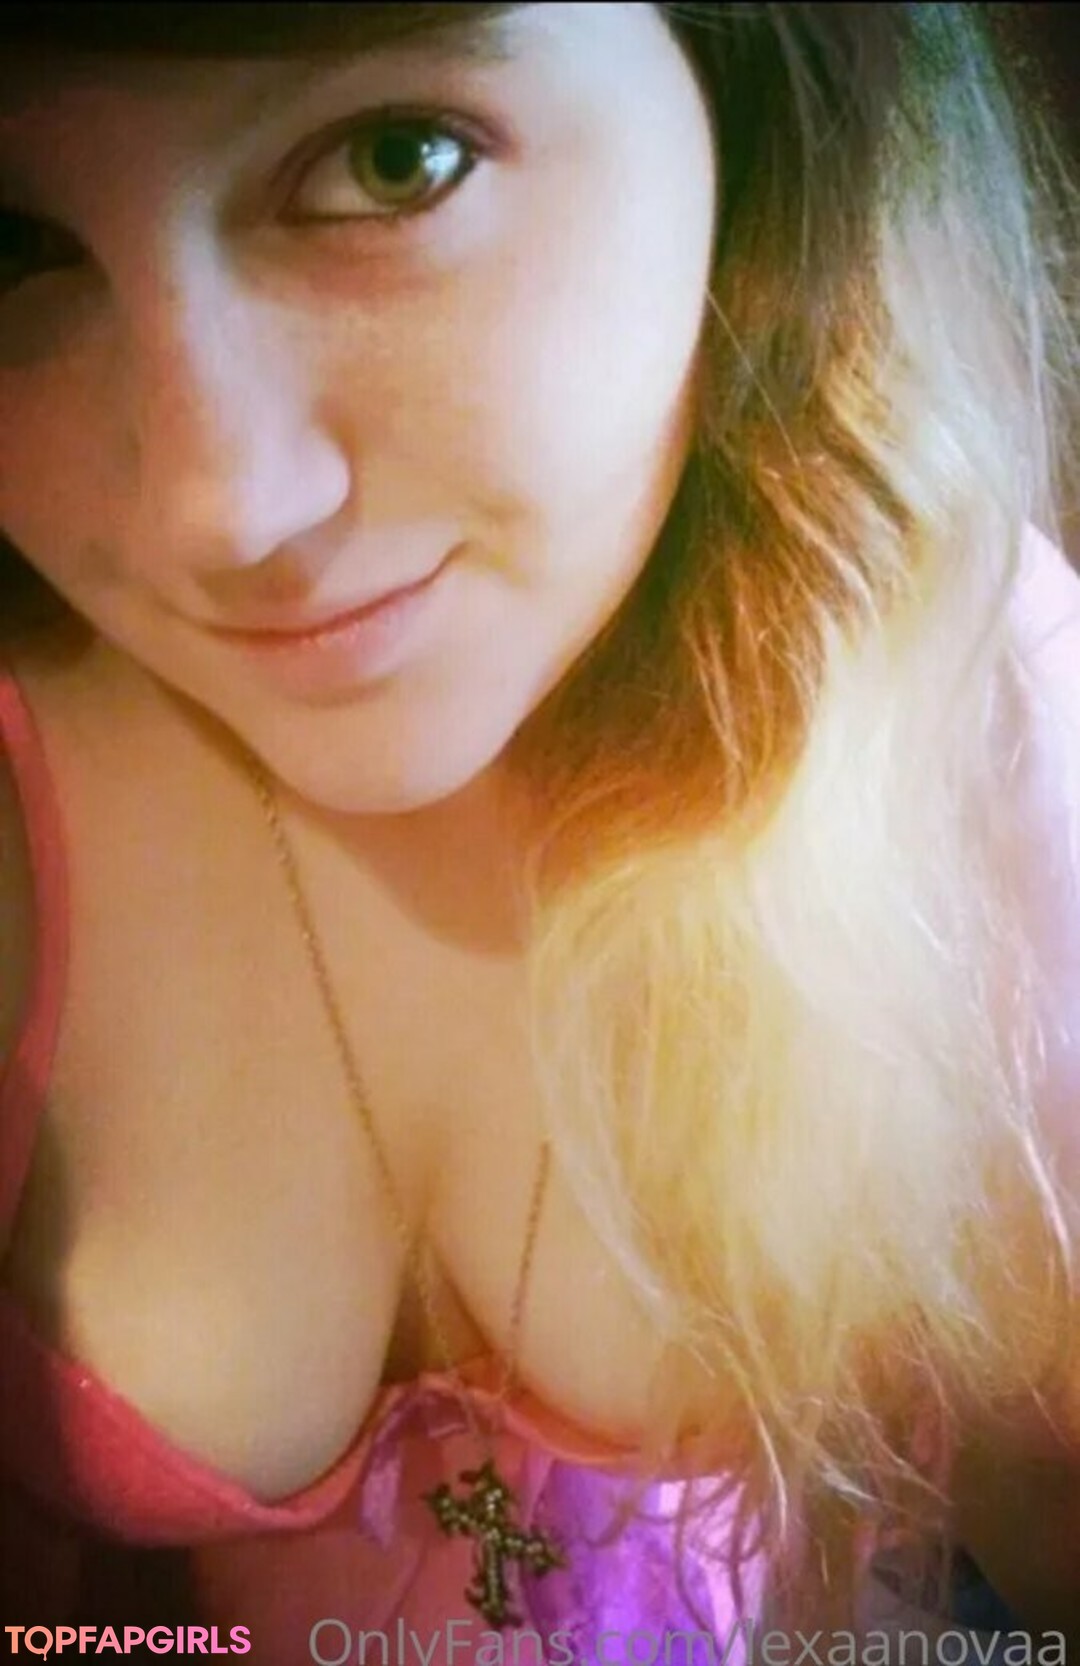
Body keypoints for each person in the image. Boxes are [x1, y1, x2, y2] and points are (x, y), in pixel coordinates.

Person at [0, 2, 1078, 1658]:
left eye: (395, 160)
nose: (224, 509)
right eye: (14, 249)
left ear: (759, 81)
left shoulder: (971, 714)